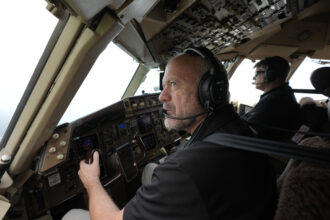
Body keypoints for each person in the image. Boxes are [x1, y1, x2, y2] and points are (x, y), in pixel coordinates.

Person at [64, 47, 277, 220]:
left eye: (174, 84)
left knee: (73, 216)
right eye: (163, 85)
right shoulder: (239, 129)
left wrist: (92, 181)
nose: (161, 97)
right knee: (150, 169)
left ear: (210, 91)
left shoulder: (184, 169)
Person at [242, 56, 301, 142]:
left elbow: (248, 132)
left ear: (270, 74)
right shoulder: (282, 94)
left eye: (256, 74)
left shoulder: (275, 100)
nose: (254, 78)